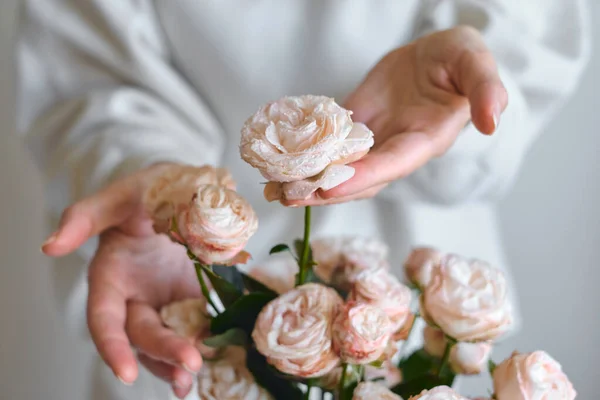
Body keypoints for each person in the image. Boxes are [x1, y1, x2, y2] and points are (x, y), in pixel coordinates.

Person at [16, 1, 590, 399]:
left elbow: (527, 26)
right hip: (189, 310)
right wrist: (159, 183)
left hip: (424, 284)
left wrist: (474, 69)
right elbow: (88, 63)